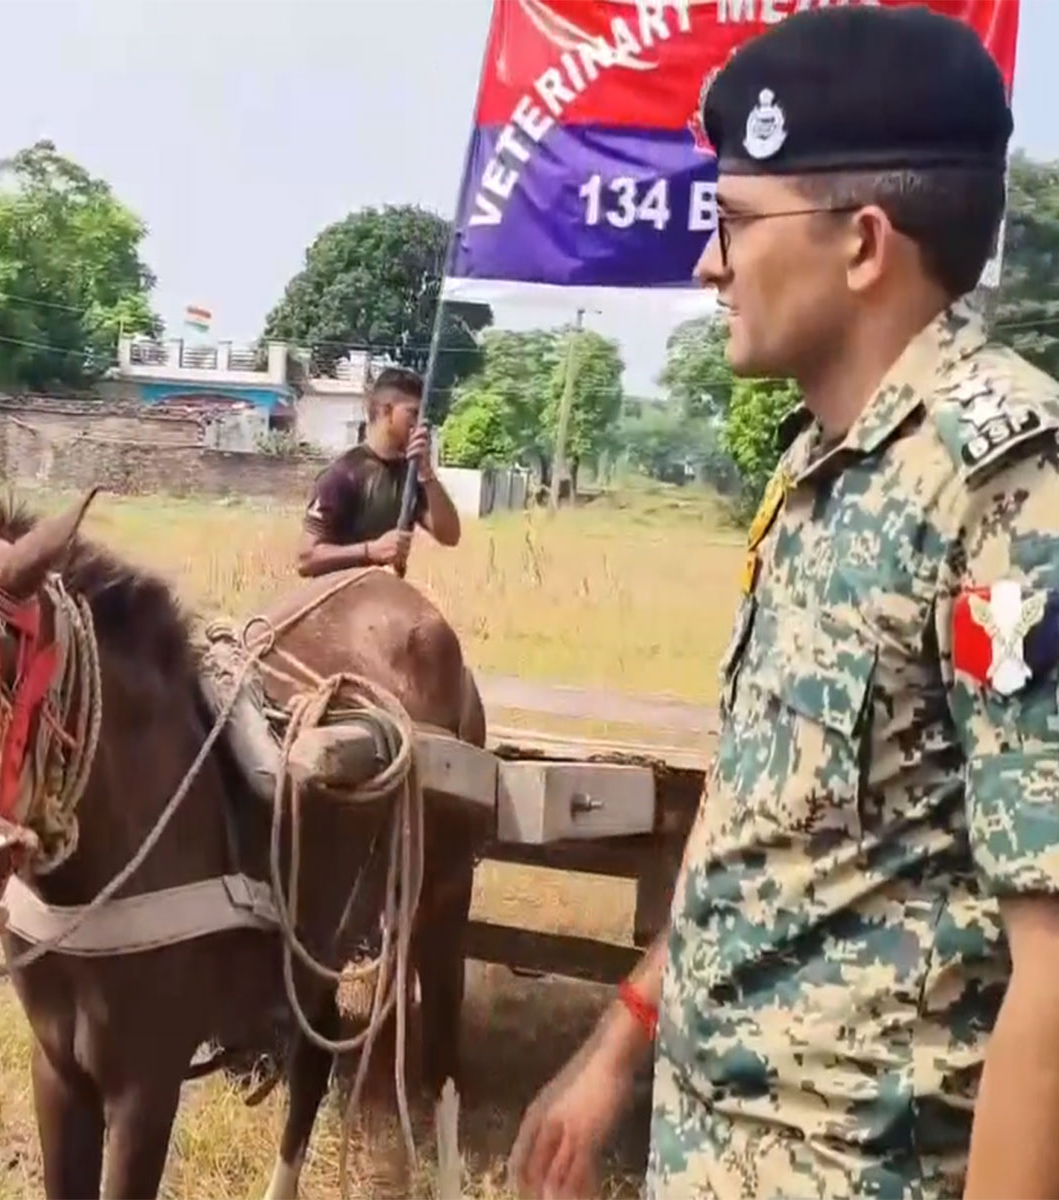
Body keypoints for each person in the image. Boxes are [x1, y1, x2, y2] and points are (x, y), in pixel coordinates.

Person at [509, 8, 1059, 1198]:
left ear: (861, 245)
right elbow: (759, 826)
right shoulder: (822, 470)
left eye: (733, 221)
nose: (707, 265)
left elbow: (1054, 973)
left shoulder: (1011, 489)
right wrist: (616, 1051)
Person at [296, 364, 462, 577]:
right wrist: (370, 551)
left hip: (386, 593)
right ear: (386, 411)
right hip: (341, 593)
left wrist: (427, 475)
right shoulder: (342, 475)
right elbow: (306, 560)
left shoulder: (411, 477)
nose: (420, 425)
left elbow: (450, 536)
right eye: (413, 413)